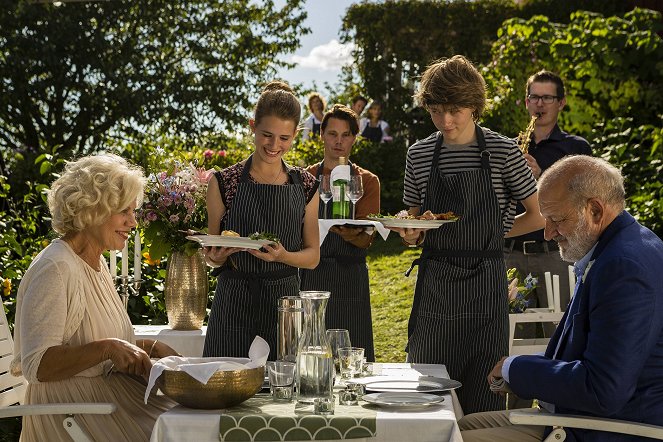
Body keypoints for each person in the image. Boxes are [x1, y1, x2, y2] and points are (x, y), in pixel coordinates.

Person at [459, 155, 663, 442]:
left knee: (450, 438)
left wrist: (514, 368)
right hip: (582, 417)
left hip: (612, 428)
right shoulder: (620, 246)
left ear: (594, 210)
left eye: (556, 219)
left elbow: (603, 390)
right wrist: (517, 369)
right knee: (460, 426)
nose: (548, 233)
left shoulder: (624, 267)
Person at [396, 55, 544, 414]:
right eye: (435, 110)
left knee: (483, 395)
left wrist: (496, 233)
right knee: (428, 394)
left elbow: (538, 215)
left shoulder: (503, 151)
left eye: (454, 110)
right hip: (436, 286)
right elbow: (411, 223)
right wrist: (408, 230)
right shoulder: (419, 155)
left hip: (485, 284)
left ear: (475, 105)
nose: (445, 120)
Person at [10, 154, 178, 441]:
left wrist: (147, 347)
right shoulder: (56, 268)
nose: (133, 222)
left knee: (194, 421)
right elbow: (38, 365)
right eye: (124, 211)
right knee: (187, 431)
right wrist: (108, 348)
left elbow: (87, 340)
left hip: (102, 402)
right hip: (71, 413)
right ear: (94, 210)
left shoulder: (94, 263)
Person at [203, 81, 320, 361]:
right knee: (224, 389)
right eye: (267, 135)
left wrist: (283, 256)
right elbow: (210, 255)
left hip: (285, 305)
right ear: (252, 126)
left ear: (295, 135)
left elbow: (313, 256)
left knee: (283, 394)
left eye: (284, 138)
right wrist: (217, 257)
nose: (274, 145)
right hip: (233, 301)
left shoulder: (306, 185)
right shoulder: (223, 182)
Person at [505, 70, 592, 314]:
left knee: (557, 331)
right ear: (526, 102)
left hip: (556, 253)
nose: (539, 103)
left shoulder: (576, 147)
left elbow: (582, 197)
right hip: (511, 254)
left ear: (561, 103)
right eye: (534, 97)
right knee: (514, 335)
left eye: (547, 98)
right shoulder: (509, 148)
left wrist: (541, 175)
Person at [300, 104, 381, 361]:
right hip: (312, 275)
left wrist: (350, 234)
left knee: (352, 355)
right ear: (321, 134)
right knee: (311, 353)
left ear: (354, 138)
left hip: (350, 276)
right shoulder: (305, 178)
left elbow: (367, 236)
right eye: (332, 133)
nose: (338, 141)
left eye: (345, 135)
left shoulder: (367, 181)